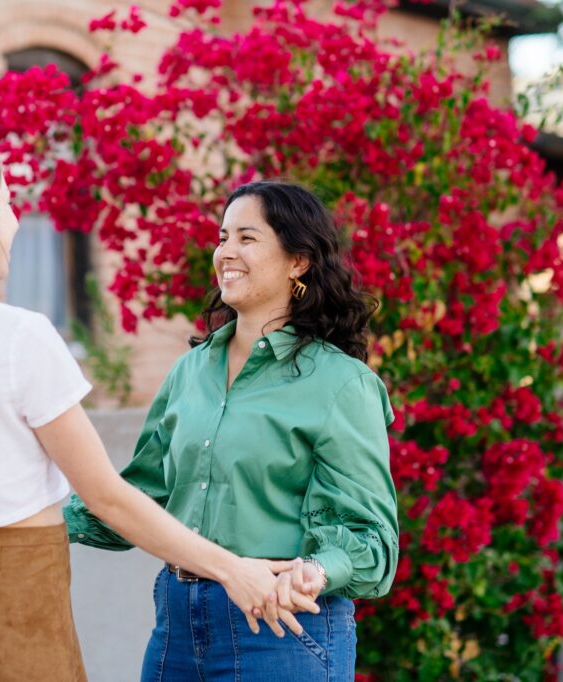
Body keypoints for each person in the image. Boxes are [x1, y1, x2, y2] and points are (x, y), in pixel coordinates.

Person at [0, 144, 317, 682]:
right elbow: (108, 498)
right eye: (5, 204)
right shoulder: (15, 336)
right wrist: (235, 571)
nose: (16, 220)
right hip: (11, 597)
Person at [65, 181, 399, 681]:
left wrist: (319, 570)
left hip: (282, 630)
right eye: (222, 238)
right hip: (176, 626)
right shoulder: (190, 372)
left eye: (247, 238)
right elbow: (137, 498)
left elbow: (373, 539)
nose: (226, 252)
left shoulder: (340, 384)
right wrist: (39, 520)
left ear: (298, 261)